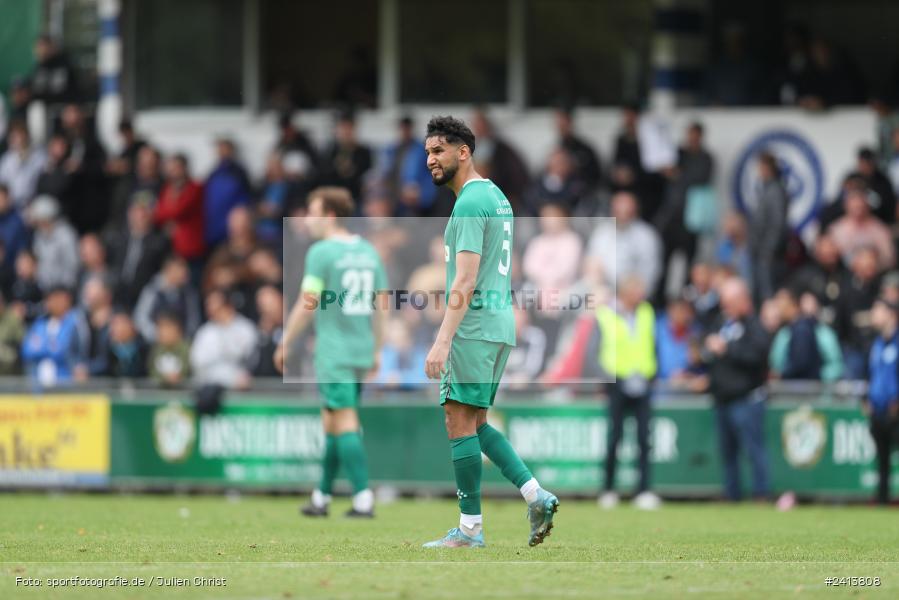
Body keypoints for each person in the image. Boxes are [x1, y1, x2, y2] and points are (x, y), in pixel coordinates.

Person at [420, 116, 558, 549]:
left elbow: (464, 279)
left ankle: (469, 530)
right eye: (427, 152)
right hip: (499, 324)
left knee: (457, 420)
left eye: (438, 151)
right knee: (477, 423)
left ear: (463, 152)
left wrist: (443, 339)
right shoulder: (496, 196)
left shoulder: (468, 203)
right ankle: (536, 495)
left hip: (474, 325)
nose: (430, 160)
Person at [274, 187, 387, 519]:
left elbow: (307, 302)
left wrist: (285, 340)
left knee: (345, 420)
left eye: (313, 212)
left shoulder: (322, 252)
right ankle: (321, 497)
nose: (307, 219)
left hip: (334, 351)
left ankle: (363, 498)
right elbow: (382, 305)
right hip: (361, 348)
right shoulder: (368, 251)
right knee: (333, 421)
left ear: (331, 216)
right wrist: (377, 348)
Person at [702, 277, 771, 502]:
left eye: (730, 302)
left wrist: (728, 349)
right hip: (722, 398)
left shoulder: (754, 326)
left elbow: (758, 356)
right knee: (727, 452)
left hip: (747, 398)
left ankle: (761, 493)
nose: (726, 307)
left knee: (754, 449)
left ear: (743, 301)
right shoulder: (720, 323)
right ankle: (731, 494)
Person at [595, 276, 660, 511]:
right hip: (618, 383)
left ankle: (643, 490)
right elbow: (598, 349)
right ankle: (608, 489)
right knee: (615, 438)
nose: (640, 295)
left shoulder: (646, 312)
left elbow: (651, 344)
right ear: (625, 292)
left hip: (642, 382)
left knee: (644, 439)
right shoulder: (605, 314)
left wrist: (651, 373)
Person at [587, 191, 663, 293]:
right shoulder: (601, 232)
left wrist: (631, 290)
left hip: (633, 293)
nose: (622, 217)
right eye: (618, 212)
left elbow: (650, 274)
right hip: (603, 290)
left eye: (627, 213)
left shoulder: (647, 236)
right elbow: (591, 263)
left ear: (635, 212)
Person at [864, 297, 899, 505]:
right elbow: (871, 374)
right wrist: (867, 399)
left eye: (878, 310)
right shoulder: (876, 343)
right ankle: (882, 500)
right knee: (882, 458)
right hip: (878, 410)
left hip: (895, 410)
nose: (873, 314)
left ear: (891, 315)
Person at [768, 288, 844, 382]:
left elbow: (835, 365)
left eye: (781, 305)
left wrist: (819, 379)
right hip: (798, 386)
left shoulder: (806, 331)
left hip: (803, 387)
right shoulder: (786, 332)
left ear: (794, 305)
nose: (778, 310)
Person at [21, 286, 88, 389]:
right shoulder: (39, 323)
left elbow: (68, 351)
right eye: (50, 299)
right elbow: (27, 351)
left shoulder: (76, 322)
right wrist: (51, 347)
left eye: (58, 299)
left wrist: (43, 347)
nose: (54, 303)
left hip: (65, 385)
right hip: (38, 386)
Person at [190, 288, 258, 390]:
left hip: (242, 388)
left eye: (215, 305)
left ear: (228, 306)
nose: (211, 309)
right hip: (211, 388)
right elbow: (197, 362)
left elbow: (252, 360)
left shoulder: (246, 328)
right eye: (209, 305)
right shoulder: (204, 332)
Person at [154, 154, 205, 280]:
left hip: (191, 249)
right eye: (171, 168)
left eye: (176, 168)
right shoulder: (167, 188)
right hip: (172, 248)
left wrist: (170, 209)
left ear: (184, 168)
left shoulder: (195, 188)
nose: (173, 172)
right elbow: (158, 214)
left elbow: (178, 211)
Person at [747, 152, 789, 303]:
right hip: (758, 251)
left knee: (767, 295)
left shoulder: (776, 191)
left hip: (767, 254)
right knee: (757, 293)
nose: (759, 172)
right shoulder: (765, 189)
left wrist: (769, 250)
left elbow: (777, 224)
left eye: (761, 167)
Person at [204, 138, 251, 250]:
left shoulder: (239, 172)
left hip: (232, 226)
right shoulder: (214, 172)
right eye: (219, 149)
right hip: (213, 226)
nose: (221, 152)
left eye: (224, 148)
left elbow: (246, 199)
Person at [0, 122, 46, 209]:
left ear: (26, 135)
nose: (16, 139)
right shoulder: (7, 159)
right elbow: (2, 183)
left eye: (18, 135)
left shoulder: (40, 156)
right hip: (11, 205)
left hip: (34, 204)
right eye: (13, 136)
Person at [147, 312, 191, 388]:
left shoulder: (187, 349)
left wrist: (179, 376)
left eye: (167, 328)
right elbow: (152, 370)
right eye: (160, 328)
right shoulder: (156, 350)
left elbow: (187, 368)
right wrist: (164, 378)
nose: (162, 332)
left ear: (177, 330)